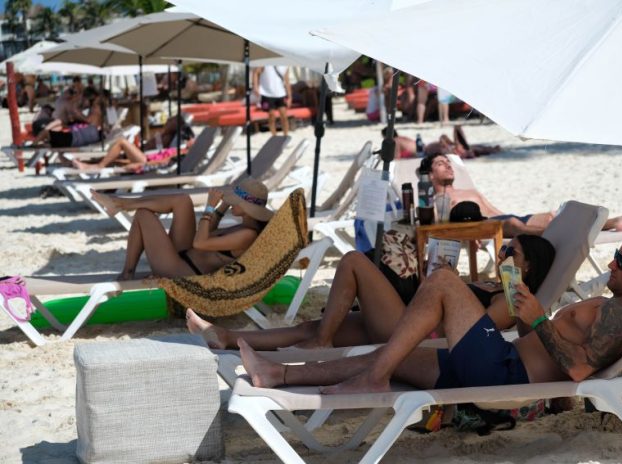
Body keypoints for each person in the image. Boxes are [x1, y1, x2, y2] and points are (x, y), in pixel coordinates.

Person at [238, 230, 622, 395]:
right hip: (497, 364)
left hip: (506, 377)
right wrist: (528, 316)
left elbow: (579, 370)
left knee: (444, 281)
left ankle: (372, 379)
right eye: (616, 255)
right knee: (394, 351)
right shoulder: (611, 304)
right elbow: (557, 344)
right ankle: (278, 376)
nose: (614, 265)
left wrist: (540, 319)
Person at [186, 234, 555, 350]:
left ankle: (321, 347)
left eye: (512, 252)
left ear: (528, 267)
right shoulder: (492, 283)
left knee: (352, 262)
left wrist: (445, 290)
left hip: (416, 336)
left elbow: (473, 337)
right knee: (316, 325)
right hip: (410, 318)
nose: (503, 253)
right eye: (505, 247)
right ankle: (227, 337)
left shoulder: (513, 300)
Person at [421, 152, 622, 237]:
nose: (449, 166)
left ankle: (614, 222)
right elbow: (439, 227)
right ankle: (563, 236)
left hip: (504, 221)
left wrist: (520, 218)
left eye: (449, 162)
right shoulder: (434, 201)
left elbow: (496, 211)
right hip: (481, 229)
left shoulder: (469, 191)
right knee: (514, 222)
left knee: (553, 215)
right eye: (441, 164)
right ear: (430, 175)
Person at [90, 178, 274, 281]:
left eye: (235, 200)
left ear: (248, 207)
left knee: (144, 215)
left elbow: (200, 242)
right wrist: (222, 206)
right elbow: (208, 231)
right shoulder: (244, 226)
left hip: (181, 270)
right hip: (185, 255)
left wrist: (210, 208)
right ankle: (121, 203)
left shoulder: (246, 235)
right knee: (183, 200)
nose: (231, 201)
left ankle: (127, 273)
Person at [70, 114, 193, 172]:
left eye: (170, 121)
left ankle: (98, 166)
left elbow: (164, 162)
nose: (167, 121)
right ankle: (87, 164)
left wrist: (143, 166)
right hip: (146, 157)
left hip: (146, 161)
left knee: (121, 142)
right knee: (114, 159)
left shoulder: (177, 148)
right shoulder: (172, 142)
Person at [387, 125, 501, 160]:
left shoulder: (396, 142)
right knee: (470, 148)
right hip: (437, 150)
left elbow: (395, 160)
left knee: (468, 148)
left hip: (435, 150)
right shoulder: (403, 139)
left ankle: (461, 146)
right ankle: (490, 149)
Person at [253, 65, 292, 137]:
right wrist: (255, 87)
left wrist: (289, 96)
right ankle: (274, 136)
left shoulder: (285, 65)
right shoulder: (265, 63)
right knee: (271, 115)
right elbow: (255, 72)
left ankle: (285, 135)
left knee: (284, 115)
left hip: (281, 93)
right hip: (267, 93)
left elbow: (287, 80)